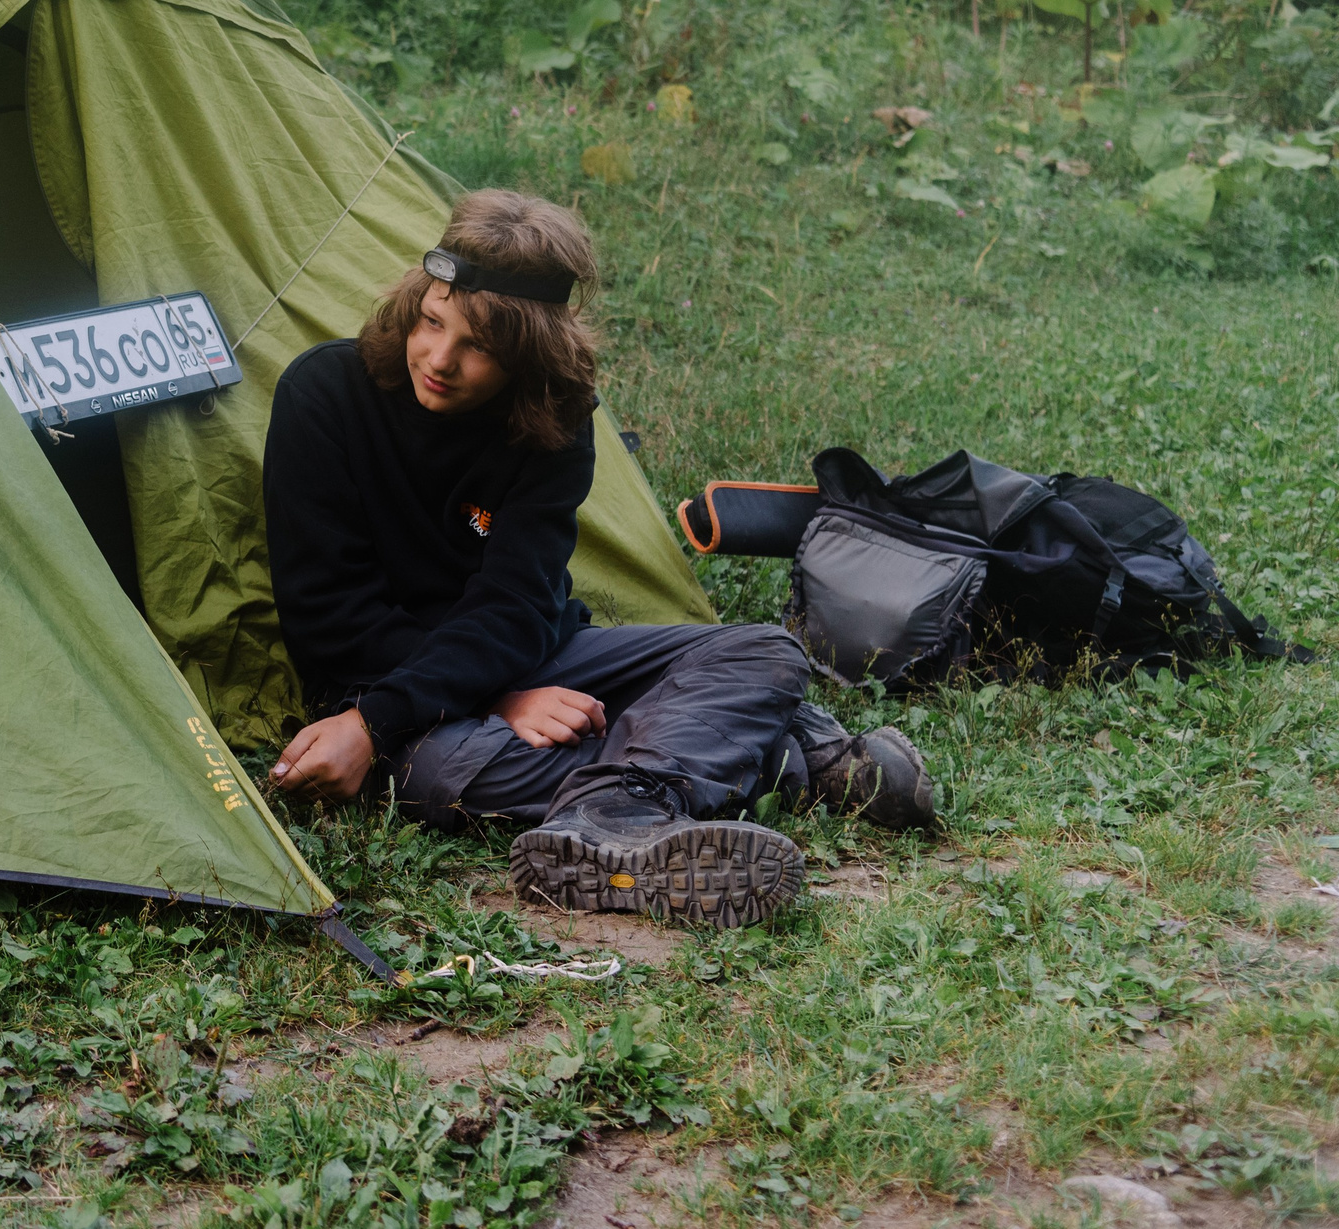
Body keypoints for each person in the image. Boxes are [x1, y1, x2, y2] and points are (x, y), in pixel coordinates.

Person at [261, 188, 933, 928]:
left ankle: (616, 813)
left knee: (765, 651)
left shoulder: (551, 419)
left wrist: (513, 686)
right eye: (431, 322)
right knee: (449, 770)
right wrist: (491, 702)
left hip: (539, 656)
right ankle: (786, 759)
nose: (440, 359)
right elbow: (334, 621)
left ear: (529, 356)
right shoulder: (323, 395)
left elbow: (516, 604)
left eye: (479, 347)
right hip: (386, 699)